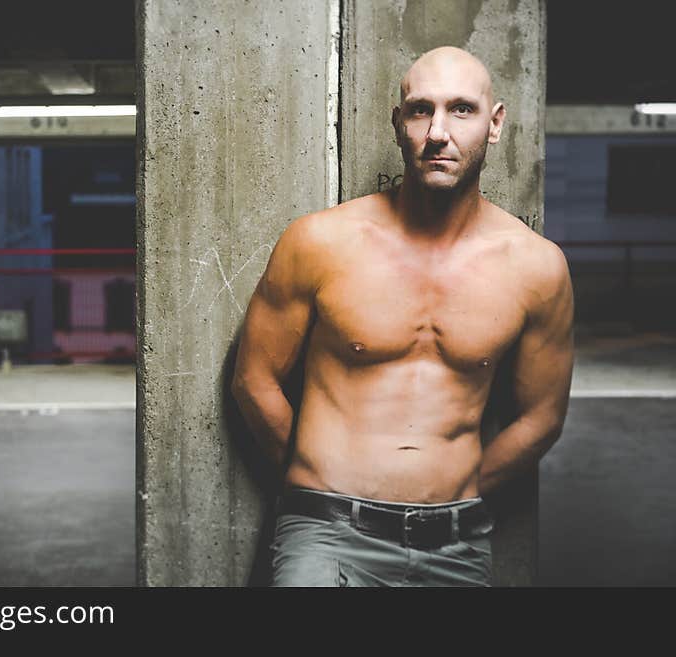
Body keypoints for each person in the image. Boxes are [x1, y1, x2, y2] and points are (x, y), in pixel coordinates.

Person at [230, 46, 574, 587]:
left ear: (495, 123)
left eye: (462, 109)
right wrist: (311, 479)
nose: (439, 131)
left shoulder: (536, 267)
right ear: (398, 124)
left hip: (456, 546)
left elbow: (541, 418)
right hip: (326, 535)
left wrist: (453, 491)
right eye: (420, 110)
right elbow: (254, 379)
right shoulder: (320, 241)